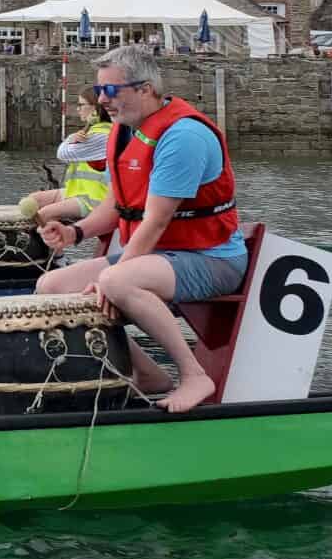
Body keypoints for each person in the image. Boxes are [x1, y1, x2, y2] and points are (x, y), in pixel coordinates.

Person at [37, 45, 248, 413]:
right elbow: (118, 206)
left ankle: (194, 375)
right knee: (51, 287)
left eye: (111, 91)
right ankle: (146, 374)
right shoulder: (123, 131)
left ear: (146, 89)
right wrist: (76, 233)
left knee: (117, 282)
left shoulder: (183, 137)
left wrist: (114, 274)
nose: (103, 101)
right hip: (159, 256)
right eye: (100, 91)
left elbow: (155, 221)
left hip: (212, 258)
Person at [16, 88, 114, 229]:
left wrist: (70, 139)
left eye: (81, 105)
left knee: (43, 214)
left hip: (94, 199)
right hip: (81, 193)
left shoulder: (101, 135)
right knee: (33, 199)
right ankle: (56, 247)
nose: (78, 109)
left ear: (96, 108)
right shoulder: (92, 132)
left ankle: (49, 247)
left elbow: (63, 154)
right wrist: (73, 138)